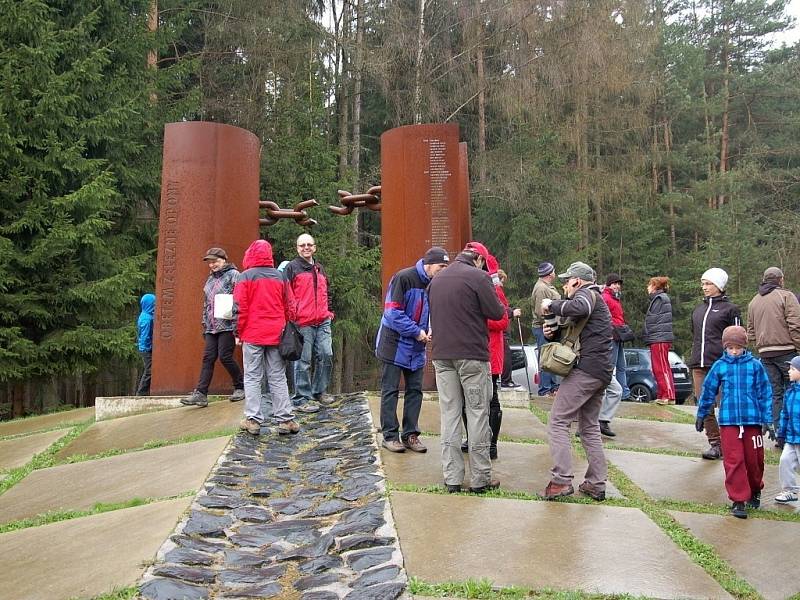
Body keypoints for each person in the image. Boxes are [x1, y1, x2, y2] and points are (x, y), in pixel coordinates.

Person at [428, 242, 505, 493]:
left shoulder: (436, 281)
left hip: (442, 356)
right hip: (472, 356)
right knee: (477, 412)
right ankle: (481, 478)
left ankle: (452, 478)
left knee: (450, 414)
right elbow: (496, 312)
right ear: (479, 260)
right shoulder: (479, 277)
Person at [540, 261, 613, 502]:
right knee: (589, 428)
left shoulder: (586, 294)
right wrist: (556, 332)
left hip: (586, 371)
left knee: (558, 422)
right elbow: (583, 329)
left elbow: (578, 307)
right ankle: (596, 483)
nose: (564, 285)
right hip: (600, 372)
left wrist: (551, 305)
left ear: (577, 281)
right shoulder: (595, 298)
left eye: (567, 280)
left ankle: (561, 480)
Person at [376, 247, 449, 454]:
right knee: (390, 390)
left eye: (446, 266)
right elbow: (392, 312)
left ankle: (411, 434)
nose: (443, 270)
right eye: (441, 266)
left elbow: (433, 311)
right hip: (394, 344)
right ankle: (390, 436)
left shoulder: (436, 284)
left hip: (417, 347)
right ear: (428, 264)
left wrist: (432, 329)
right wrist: (417, 331)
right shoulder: (403, 278)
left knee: (415, 391)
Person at [695, 326, 774, 518]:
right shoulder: (720, 365)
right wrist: (702, 414)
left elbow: (765, 393)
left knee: (754, 461)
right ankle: (738, 500)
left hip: (752, 421)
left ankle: (755, 489)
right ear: (725, 347)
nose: (734, 351)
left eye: (738, 347)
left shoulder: (755, 365)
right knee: (733, 461)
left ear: (744, 346)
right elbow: (708, 391)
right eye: (730, 348)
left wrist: (767, 420)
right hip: (729, 422)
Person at [234, 239, 299, 436]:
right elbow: (290, 306)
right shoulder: (280, 277)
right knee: (277, 376)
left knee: (253, 376)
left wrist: (238, 332)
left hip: (252, 333)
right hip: (276, 334)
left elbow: (240, 308)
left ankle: (253, 419)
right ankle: (285, 419)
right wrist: (287, 326)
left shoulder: (245, 277)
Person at [687, 267, 741, 460]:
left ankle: (732, 442)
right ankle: (715, 444)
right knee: (705, 404)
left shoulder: (730, 309)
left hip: (722, 364)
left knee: (726, 404)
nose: (704, 287)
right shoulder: (698, 310)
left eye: (708, 283)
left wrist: (734, 361)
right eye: (703, 283)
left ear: (719, 285)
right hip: (699, 365)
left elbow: (737, 336)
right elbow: (694, 335)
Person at [182, 247, 245, 407]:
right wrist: (205, 323)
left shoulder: (234, 275)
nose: (212, 264)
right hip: (211, 327)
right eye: (210, 262)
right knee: (208, 358)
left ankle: (240, 387)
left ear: (224, 260)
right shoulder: (210, 279)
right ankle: (201, 394)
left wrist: (237, 325)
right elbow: (206, 304)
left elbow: (239, 300)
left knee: (225, 356)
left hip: (228, 325)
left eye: (215, 261)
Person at [746, 267, 800, 448]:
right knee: (794, 390)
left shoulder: (754, 301)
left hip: (765, 354)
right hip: (787, 351)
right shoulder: (786, 296)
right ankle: (794, 433)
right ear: (781, 279)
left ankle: (779, 434)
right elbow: (795, 325)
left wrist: (761, 346)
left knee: (776, 393)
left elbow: (750, 332)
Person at [284, 233, 335, 414]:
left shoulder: (320, 268)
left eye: (309, 245)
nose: (306, 247)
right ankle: (301, 398)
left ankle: (319, 391)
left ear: (314, 247)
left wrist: (328, 311)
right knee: (302, 361)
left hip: (322, 320)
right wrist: (293, 317)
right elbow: (286, 294)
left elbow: (327, 291)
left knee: (326, 354)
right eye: (302, 245)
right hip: (302, 322)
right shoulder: (291, 268)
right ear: (297, 248)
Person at [643, 276, 676, 405]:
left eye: (649, 285)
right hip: (657, 337)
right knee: (658, 367)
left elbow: (654, 320)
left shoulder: (660, 299)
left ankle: (668, 395)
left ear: (655, 286)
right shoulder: (658, 299)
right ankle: (663, 394)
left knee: (661, 367)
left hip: (660, 338)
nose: (647, 287)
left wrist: (648, 332)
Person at [530, 262, 561, 396]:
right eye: (553, 270)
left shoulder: (547, 286)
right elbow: (540, 311)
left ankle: (553, 387)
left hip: (550, 326)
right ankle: (545, 390)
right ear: (549, 273)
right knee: (546, 359)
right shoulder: (541, 288)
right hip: (544, 327)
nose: (555, 272)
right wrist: (550, 322)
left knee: (551, 358)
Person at [775, 355, 800, 503]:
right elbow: (784, 414)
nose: (789, 372)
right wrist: (781, 434)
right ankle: (789, 490)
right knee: (785, 461)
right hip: (791, 438)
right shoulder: (790, 391)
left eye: (793, 369)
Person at [602, 273, 631, 400]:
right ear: (609, 284)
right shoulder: (605, 297)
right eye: (614, 283)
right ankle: (606, 391)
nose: (617, 286)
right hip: (611, 335)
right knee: (610, 365)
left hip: (619, 335)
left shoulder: (615, 298)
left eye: (618, 284)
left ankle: (624, 393)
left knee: (621, 366)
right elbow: (604, 317)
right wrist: (612, 328)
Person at [499, 269, 524, 392]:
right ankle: (506, 380)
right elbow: (500, 309)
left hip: (504, 328)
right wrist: (511, 313)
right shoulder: (495, 291)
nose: (503, 285)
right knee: (505, 355)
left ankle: (506, 380)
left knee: (505, 354)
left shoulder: (498, 292)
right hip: (500, 329)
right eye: (502, 281)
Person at [135, 293, 155, 396]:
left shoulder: (145, 315)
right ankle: (141, 393)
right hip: (146, 348)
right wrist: (150, 347)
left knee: (149, 369)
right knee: (149, 370)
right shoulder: (147, 319)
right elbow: (145, 336)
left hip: (145, 347)